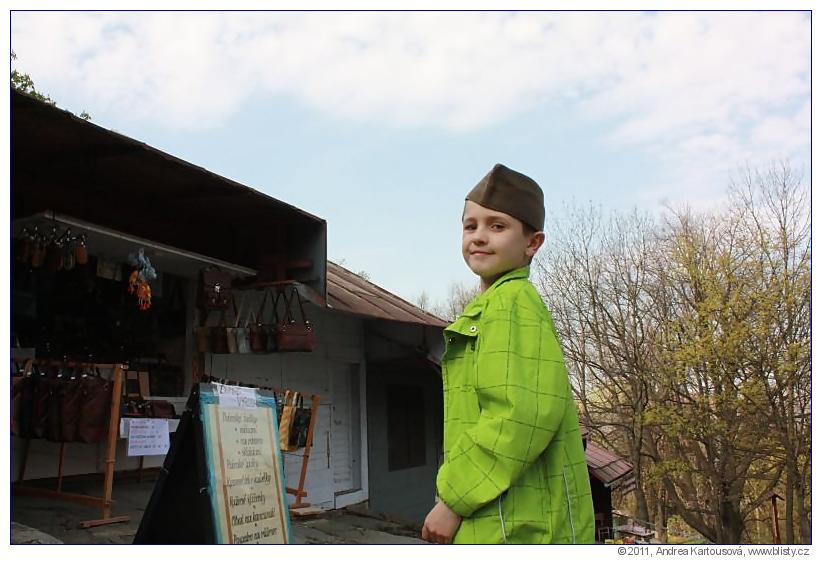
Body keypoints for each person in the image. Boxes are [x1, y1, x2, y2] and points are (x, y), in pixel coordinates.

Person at [421, 163, 595, 544]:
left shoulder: (512, 302)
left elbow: (518, 417)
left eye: (497, 226)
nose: (479, 237)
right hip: (500, 517)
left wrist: (453, 500)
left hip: (518, 528)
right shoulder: (492, 306)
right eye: (471, 226)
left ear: (532, 243)